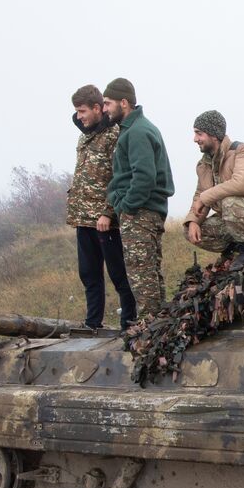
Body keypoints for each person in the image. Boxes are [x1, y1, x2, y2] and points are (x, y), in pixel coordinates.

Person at [66, 84, 137, 329]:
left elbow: (119, 177)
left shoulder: (113, 135)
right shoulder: (84, 136)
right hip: (83, 219)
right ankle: (92, 322)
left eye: (83, 111)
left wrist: (107, 212)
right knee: (89, 274)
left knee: (119, 274)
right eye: (77, 111)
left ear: (97, 108)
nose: (79, 116)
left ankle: (129, 322)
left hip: (106, 221)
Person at [103, 77, 174, 319]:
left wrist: (126, 206)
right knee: (150, 273)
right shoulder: (136, 129)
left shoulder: (137, 132)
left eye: (107, 103)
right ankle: (158, 327)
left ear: (124, 103)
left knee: (142, 276)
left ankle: (149, 329)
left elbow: (144, 176)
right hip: (144, 211)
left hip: (141, 212)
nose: (104, 109)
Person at [182, 110, 244, 260]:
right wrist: (193, 221)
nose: (195, 139)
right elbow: (199, 194)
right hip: (230, 223)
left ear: (213, 135)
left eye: (199, 134)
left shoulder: (241, 151)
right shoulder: (203, 165)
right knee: (189, 230)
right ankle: (234, 251)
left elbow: (241, 185)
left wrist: (205, 197)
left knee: (230, 202)